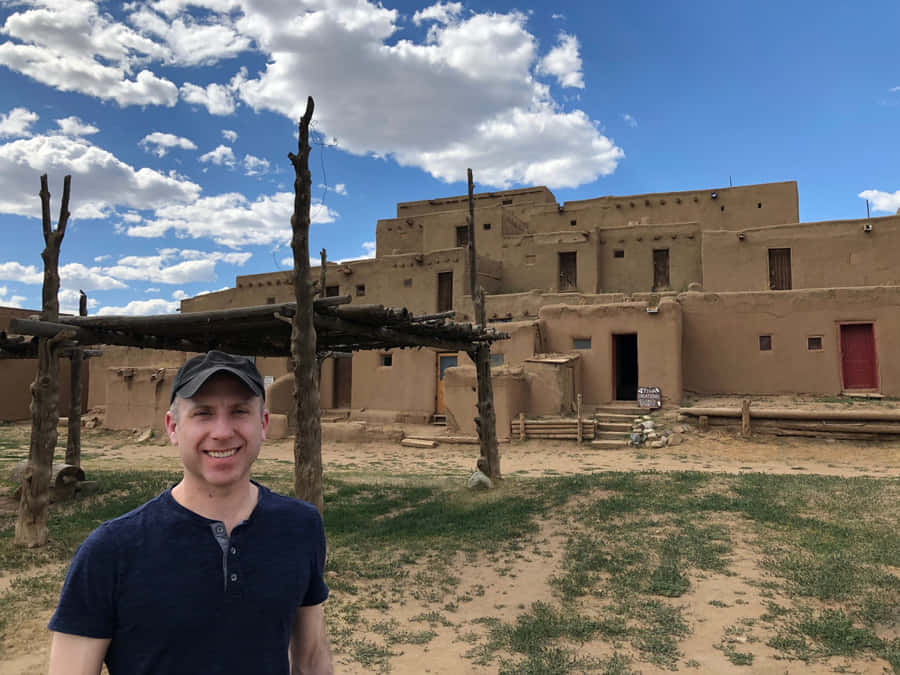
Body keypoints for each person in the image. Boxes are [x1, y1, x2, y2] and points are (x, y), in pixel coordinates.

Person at [47, 350, 333, 675]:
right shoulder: (111, 550)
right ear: (172, 427)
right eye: (203, 413)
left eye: (239, 411)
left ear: (263, 424)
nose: (222, 431)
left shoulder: (300, 527)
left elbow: (310, 659)